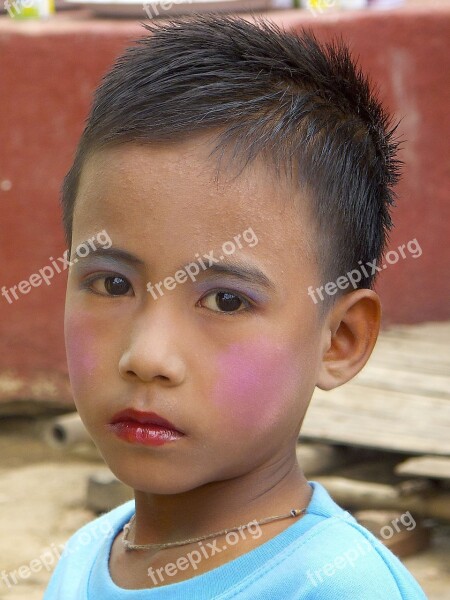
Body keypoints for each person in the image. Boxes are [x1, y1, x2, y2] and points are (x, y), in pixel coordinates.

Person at [43, 14, 426, 599]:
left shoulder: (339, 587)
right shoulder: (85, 555)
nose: (147, 357)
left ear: (341, 339)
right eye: (112, 284)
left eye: (225, 300)